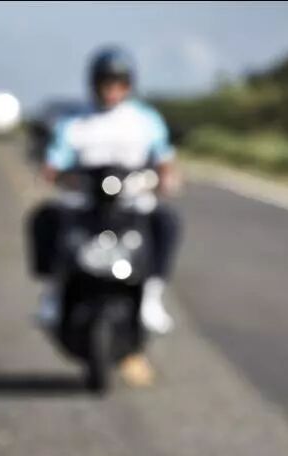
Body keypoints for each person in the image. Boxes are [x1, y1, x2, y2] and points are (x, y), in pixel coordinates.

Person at [29, 46, 182, 334]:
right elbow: (54, 163)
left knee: (166, 222)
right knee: (44, 218)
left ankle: (152, 296)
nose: (111, 90)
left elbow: (164, 161)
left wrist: (166, 179)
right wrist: (50, 175)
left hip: (132, 198)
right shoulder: (73, 123)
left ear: (129, 86)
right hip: (84, 198)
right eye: (106, 83)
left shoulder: (146, 121)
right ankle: (52, 292)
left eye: (118, 83)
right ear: (94, 84)